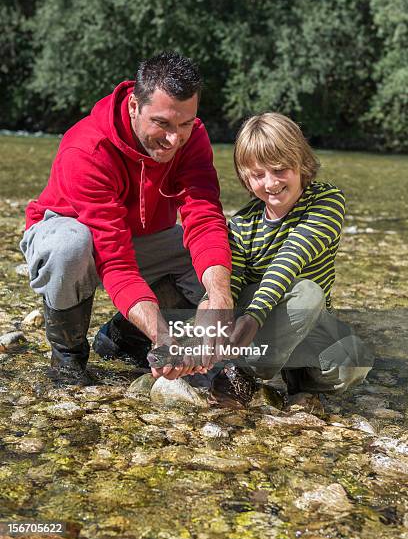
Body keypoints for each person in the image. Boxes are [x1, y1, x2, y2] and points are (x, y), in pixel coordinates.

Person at [20, 52, 234, 386]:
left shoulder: (192, 138)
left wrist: (219, 296)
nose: (174, 139)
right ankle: (68, 358)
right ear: (134, 106)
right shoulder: (87, 149)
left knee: (226, 253)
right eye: (161, 123)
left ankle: (123, 339)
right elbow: (116, 262)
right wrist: (164, 337)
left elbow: (204, 216)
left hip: (142, 239)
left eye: (184, 124)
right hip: (73, 235)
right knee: (69, 246)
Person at [226, 112, 374, 398]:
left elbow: (291, 258)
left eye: (280, 169)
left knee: (356, 360)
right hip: (256, 329)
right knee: (307, 293)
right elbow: (232, 283)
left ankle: (297, 376)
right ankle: (243, 371)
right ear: (246, 178)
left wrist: (254, 317)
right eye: (258, 175)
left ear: (301, 163)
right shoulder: (242, 224)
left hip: (307, 326)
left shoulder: (327, 200)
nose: (271, 183)